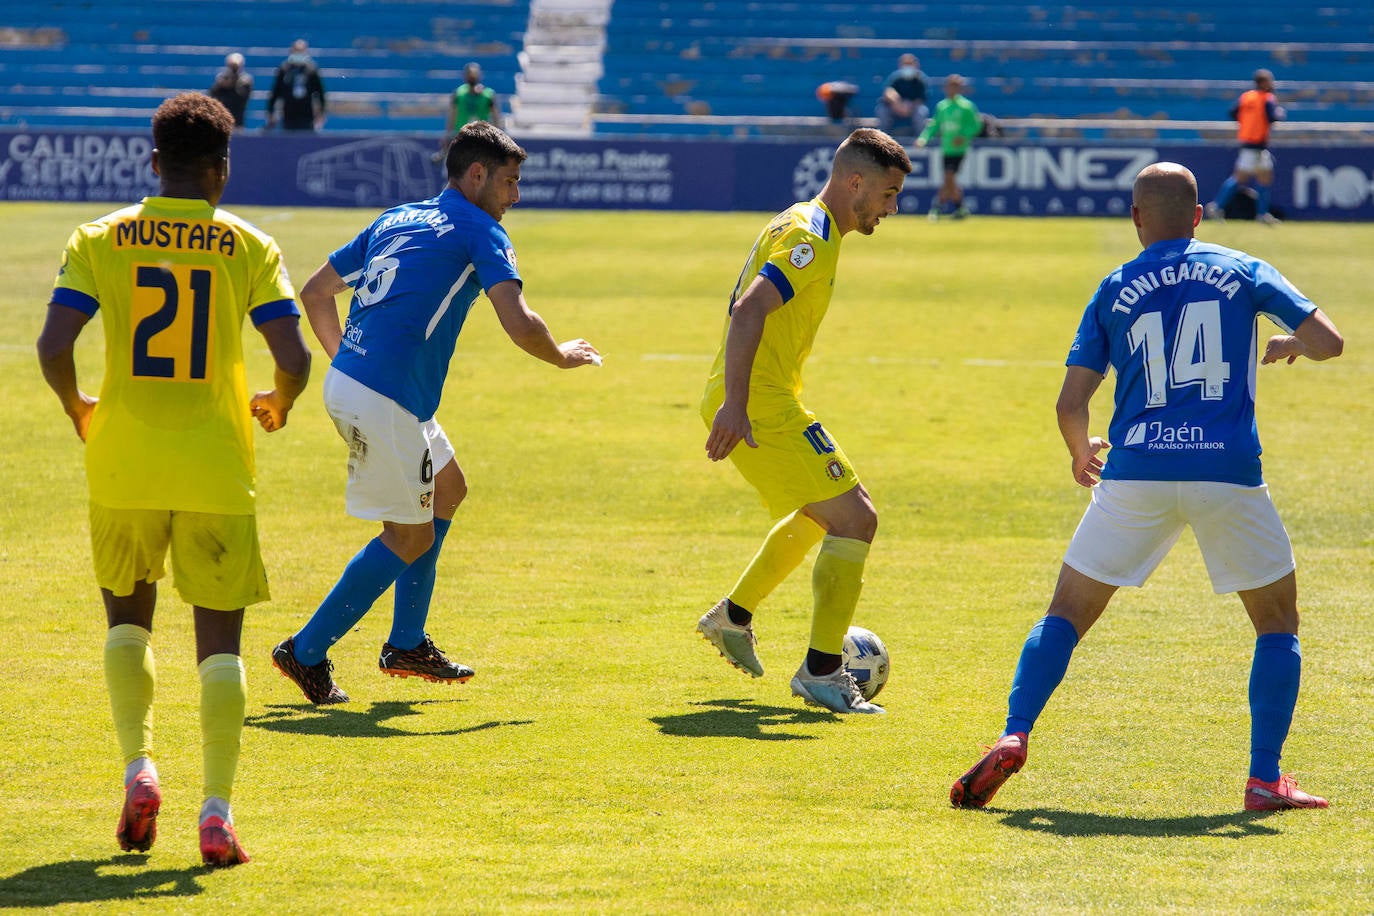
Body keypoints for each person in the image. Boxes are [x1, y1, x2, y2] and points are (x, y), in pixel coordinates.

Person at [949, 162, 1343, 812]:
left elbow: (1069, 402)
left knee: (1065, 615)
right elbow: (1331, 341)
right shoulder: (1240, 267)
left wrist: (1081, 455)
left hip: (1135, 475)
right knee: (1276, 621)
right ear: (1199, 215)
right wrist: (1289, 345)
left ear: (1136, 218)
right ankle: (1265, 777)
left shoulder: (1113, 287)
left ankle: (1014, 733)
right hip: (1228, 474)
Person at [35, 93, 312, 865]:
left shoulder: (101, 237)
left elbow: (54, 344)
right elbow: (293, 359)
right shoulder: (248, 245)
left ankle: (139, 769)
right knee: (220, 643)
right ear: (222, 172)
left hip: (123, 458)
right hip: (217, 465)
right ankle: (217, 813)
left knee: (128, 623)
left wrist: (76, 405)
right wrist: (277, 403)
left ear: (153, 164)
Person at [272, 121, 600, 705]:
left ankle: (406, 642)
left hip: (371, 386)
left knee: (447, 490)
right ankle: (306, 650)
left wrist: (348, 363)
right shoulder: (481, 229)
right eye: (509, 182)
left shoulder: (397, 216)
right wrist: (561, 356)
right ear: (476, 175)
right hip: (386, 397)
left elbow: (316, 293)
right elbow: (519, 321)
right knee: (407, 536)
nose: (515, 197)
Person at [698, 128, 911, 716]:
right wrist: (736, 406)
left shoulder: (801, 221)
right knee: (857, 518)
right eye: (888, 194)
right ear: (855, 183)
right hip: (759, 401)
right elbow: (749, 311)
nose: (891, 209)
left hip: (765, 394)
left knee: (825, 511)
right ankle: (821, 671)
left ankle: (733, 616)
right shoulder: (811, 238)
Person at [1206, 69, 1285, 225]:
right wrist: (1280, 113)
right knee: (1239, 178)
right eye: (1269, 81)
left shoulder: (1246, 97)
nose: (1272, 84)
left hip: (1248, 142)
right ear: (1263, 83)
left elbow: (1233, 113)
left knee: (1265, 177)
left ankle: (1262, 214)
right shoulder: (1267, 98)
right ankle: (1216, 206)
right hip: (1256, 144)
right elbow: (1272, 117)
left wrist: (1248, 123)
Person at [917, 74, 981, 220]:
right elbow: (934, 125)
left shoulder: (966, 106)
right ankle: (960, 209)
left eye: (955, 86)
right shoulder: (942, 106)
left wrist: (963, 136)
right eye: (950, 86)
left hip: (959, 149)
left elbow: (976, 125)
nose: (952, 89)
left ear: (959, 88)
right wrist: (923, 139)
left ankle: (936, 208)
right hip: (946, 148)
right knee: (950, 180)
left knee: (949, 177)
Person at [436, 63, 501, 161]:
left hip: (481, 139)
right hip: (462, 138)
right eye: (470, 75)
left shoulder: (488, 95)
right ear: (465, 76)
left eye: (474, 74)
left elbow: (496, 118)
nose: (472, 77)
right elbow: (452, 117)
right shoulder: (459, 93)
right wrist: (447, 137)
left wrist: (497, 138)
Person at [266, 39, 326, 132]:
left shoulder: (311, 69)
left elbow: (320, 92)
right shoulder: (285, 69)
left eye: (301, 51)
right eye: (296, 51)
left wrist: (321, 113)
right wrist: (270, 111)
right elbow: (276, 91)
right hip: (289, 113)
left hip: (306, 114)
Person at [874, 53, 928, 140]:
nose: (908, 67)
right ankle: (883, 140)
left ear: (916, 65)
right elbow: (888, 91)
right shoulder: (896, 77)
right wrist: (897, 103)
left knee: (921, 112)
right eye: (905, 64)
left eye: (910, 64)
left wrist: (909, 106)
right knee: (882, 111)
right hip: (895, 108)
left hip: (912, 109)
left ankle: (919, 141)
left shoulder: (920, 79)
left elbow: (921, 99)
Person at [208, 52, 253, 129]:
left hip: (237, 119)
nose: (233, 69)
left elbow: (241, 98)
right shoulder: (222, 78)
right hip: (222, 118)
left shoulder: (245, 80)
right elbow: (212, 95)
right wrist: (221, 84)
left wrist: (233, 84)